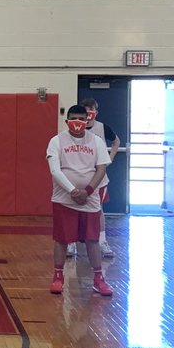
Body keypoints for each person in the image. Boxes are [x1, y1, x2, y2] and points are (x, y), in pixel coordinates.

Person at [48, 105, 113, 296]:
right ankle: (58, 276)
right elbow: (55, 170)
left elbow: (101, 168)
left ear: (87, 121)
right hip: (64, 198)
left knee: (92, 239)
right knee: (61, 239)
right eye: (73, 118)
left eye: (81, 118)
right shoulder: (56, 141)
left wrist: (88, 190)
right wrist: (73, 190)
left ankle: (98, 278)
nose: (77, 122)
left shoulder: (97, 141)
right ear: (67, 120)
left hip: (90, 198)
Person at [68, 97, 120, 259]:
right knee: (73, 210)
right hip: (77, 176)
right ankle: (71, 242)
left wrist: (110, 157)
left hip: (98, 178)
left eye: (91, 111)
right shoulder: (72, 132)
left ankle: (102, 241)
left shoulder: (102, 128)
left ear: (95, 112)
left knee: (99, 211)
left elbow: (116, 141)